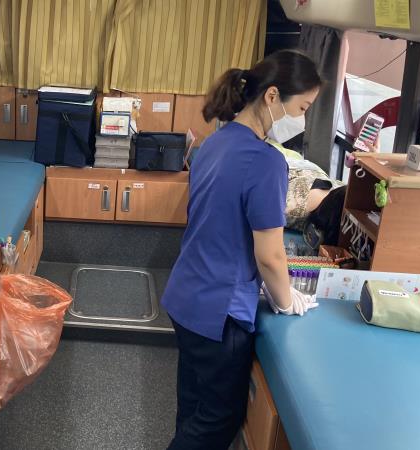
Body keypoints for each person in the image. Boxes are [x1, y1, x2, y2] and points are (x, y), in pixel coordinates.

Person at [160, 50, 321, 450]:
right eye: (303, 108)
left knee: (193, 406)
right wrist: (286, 300)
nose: (302, 120)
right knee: (218, 419)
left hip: (186, 294)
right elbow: (270, 255)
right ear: (272, 96)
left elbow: (221, 222)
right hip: (219, 309)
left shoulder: (216, 142)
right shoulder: (266, 162)